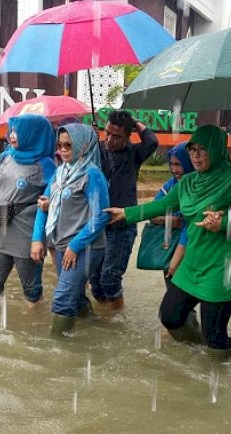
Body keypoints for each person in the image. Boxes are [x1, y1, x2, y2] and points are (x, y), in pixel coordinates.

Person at [106, 125, 231, 361]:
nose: (196, 156)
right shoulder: (188, 182)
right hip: (193, 262)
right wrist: (125, 213)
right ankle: (195, 357)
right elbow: (161, 206)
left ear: (217, 150)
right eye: (192, 150)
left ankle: (218, 376)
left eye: (203, 150)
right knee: (170, 316)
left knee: (215, 335)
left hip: (222, 266)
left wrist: (224, 223)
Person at [0, 114, 57, 308]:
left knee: (31, 291)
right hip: (2, 232)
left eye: (18, 131)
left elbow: (56, 199)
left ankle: (32, 331)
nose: (12, 135)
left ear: (32, 134)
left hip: (28, 236)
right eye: (12, 130)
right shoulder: (5, 157)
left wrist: (41, 238)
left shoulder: (46, 165)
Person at [31, 123, 110, 335]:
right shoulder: (60, 173)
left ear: (84, 145)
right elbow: (43, 204)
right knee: (74, 294)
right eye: (60, 145)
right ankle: (94, 330)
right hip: (59, 244)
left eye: (69, 145)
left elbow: (101, 215)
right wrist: (37, 239)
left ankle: (58, 353)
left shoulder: (92, 175)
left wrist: (75, 246)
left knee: (62, 299)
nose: (63, 149)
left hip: (86, 246)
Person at [90, 110, 158, 311]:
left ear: (128, 136)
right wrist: (91, 137)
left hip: (122, 225)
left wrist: (135, 123)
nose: (109, 139)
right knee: (95, 279)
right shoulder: (97, 149)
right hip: (97, 222)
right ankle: (106, 318)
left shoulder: (134, 153)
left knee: (110, 278)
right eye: (107, 133)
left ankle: (116, 321)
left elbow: (152, 141)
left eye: (117, 136)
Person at [150, 142, 194, 287]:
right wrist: (167, 220)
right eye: (172, 164)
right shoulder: (170, 186)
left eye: (179, 164)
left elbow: (188, 228)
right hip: (170, 246)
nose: (175, 169)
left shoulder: (199, 188)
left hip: (192, 248)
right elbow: (152, 211)